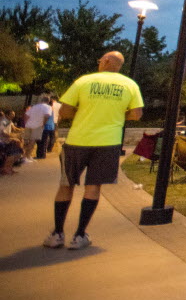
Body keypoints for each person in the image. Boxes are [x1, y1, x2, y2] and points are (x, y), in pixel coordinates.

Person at [44, 52, 143, 250]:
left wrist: (83, 113)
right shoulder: (130, 85)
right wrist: (116, 114)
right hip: (108, 142)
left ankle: (57, 233)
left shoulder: (84, 81)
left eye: (99, 60)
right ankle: (80, 235)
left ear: (106, 61)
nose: (99, 63)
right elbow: (136, 114)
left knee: (66, 185)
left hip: (78, 140)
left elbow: (64, 111)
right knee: (93, 187)